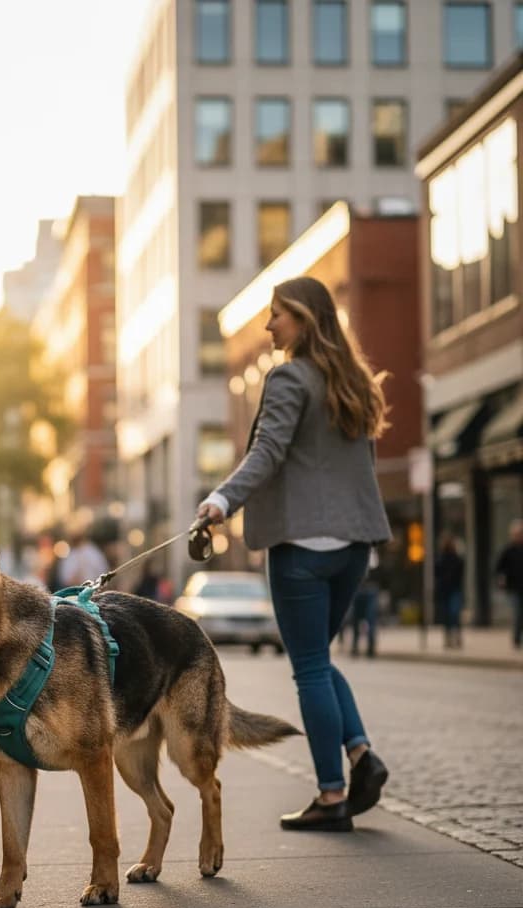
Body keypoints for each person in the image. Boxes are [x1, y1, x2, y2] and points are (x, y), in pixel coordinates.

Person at [197, 276, 392, 833]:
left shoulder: (289, 378)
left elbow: (267, 452)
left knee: (309, 668)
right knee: (320, 659)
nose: (268, 326)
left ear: (305, 320)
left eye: (278, 315)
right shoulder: (354, 382)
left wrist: (220, 500)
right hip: (352, 546)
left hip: (301, 548)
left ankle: (332, 795)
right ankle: (360, 755)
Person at [494, 519, 523, 649]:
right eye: (517, 534)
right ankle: (517, 639)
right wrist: (502, 579)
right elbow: (498, 568)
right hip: (514, 588)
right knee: (518, 613)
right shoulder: (508, 550)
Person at [349, 549, 381, 658]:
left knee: (370, 618)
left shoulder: (372, 553)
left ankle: (371, 648)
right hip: (357, 588)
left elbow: (376, 568)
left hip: (370, 589)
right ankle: (355, 647)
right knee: (355, 619)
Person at [435, 533, 465, 649]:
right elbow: (436, 573)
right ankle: (449, 637)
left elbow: (460, 573)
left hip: (454, 590)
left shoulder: (457, 559)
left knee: (454, 613)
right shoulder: (440, 558)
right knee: (447, 615)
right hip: (444, 591)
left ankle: (456, 635)